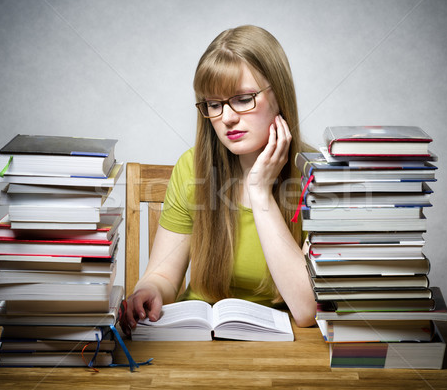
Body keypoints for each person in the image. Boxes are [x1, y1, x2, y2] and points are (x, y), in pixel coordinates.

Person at [120, 25, 316, 334]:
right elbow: (164, 276)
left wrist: (260, 192)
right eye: (214, 104)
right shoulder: (192, 168)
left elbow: (307, 310)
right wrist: (151, 290)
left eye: (242, 98)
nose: (226, 118)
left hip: (284, 346)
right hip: (199, 337)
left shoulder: (315, 177)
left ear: (279, 94)